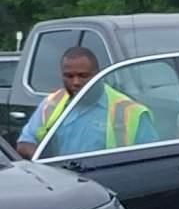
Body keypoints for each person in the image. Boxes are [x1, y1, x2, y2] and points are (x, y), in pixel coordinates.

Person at [15, 47, 154, 158]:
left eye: (83, 76)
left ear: (98, 74)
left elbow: (151, 158)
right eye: (69, 76)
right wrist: (46, 163)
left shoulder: (130, 112)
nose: (76, 82)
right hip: (61, 182)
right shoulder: (52, 103)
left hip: (109, 185)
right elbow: (25, 143)